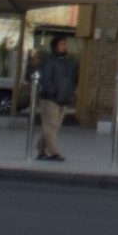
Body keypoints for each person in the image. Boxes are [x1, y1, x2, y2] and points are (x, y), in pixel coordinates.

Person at [33, 35, 77, 163]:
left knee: (53, 128)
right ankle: (54, 153)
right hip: (50, 99)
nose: (64, 47)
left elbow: (69, 81)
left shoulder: (66, 63)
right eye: (61, 44)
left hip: (63, 99)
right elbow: (46, 80)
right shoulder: (49, 62)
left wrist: (68, 95)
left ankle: (41, 150)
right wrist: (54, 92)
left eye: (65, 44)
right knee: (51, 126)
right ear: (54, 47)